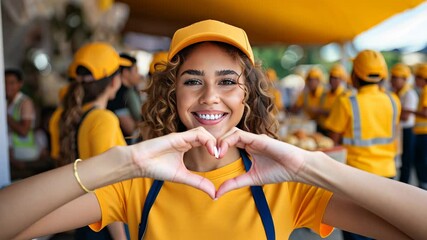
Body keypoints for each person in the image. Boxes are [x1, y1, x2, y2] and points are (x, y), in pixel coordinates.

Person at [1, 19, 427, 240]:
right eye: (192, 81)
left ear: (248, 95)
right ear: (172, 93)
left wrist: (312, 166)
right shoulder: (138, 180)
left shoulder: (284, 185)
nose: (209, 96)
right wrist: (122, 160)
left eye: (227, 81)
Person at [48, 42, 131, 239]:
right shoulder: (103, 119)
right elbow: (108, 187)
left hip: (80, 219)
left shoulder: (61, 116)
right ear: (114, 82)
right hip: (105, 224)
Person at [323, 50, 401, 240]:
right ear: (382, 74)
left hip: (356, 176)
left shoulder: (346, 102)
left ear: (354, 75)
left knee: (357, 232)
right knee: (381, 230)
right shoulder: (393, 101)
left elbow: (332, 139)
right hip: (387, 174)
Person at [5, 68, 44, 178]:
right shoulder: (6, 102)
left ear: (20, 84)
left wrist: (5, 116)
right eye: (5, 82)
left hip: (24, 151)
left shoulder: (25, 102)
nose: (7, 86)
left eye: (12, 83)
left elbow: (24, 131)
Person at [390, 63, 419, 184]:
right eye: (392, 77)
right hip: (398, 130)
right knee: (398, 161)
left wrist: (389, 113)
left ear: (405, 79)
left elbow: (405, 117)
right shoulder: (395, 93)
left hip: (406, 131)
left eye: (396, 78)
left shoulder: (409, 94)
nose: (392, 80)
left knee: (405, 160)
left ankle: (404, 184)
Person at [107, 53, 143, 145]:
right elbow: (130, 129)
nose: (139, 75)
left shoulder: (132, 90)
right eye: (136, 70)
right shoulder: (117, 95)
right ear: (126, 73)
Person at [312, 63, 348, 135]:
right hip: (321, 129)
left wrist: (322, 111)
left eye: (335, 78)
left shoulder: (344, 95)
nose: (332, 80)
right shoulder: (324, 94)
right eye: (331, 77)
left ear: (341, 79)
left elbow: (339, 114)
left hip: (334, 132)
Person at [409, 63, 427, 189]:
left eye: (417, 77)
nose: (415, 80)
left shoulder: (426, 90)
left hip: (423, 132)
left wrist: (409, 111)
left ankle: (423, 185)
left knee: (422, 161)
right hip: (421, 132)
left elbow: (425, 113)